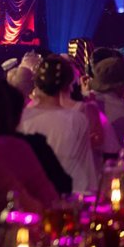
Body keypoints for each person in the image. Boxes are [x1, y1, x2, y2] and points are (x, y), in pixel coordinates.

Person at [19, 55, 98, 193]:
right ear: (68, 85)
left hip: (36, 195)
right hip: (72, 195)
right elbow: (86, 169)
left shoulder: (23, 118)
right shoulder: (77, 120)